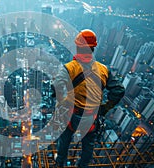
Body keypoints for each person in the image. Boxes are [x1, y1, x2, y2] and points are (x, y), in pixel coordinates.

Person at [52, 29, 125, 167]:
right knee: (88, 147)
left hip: (71, 115)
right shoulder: (104, 70)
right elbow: (119, 90)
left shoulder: (69, 68)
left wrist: (62, 101)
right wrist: (105, 108)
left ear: (78, 47)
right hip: (91, 118)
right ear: (93, 48)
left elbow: (55, 86)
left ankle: (60, 163)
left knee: (64, 141)